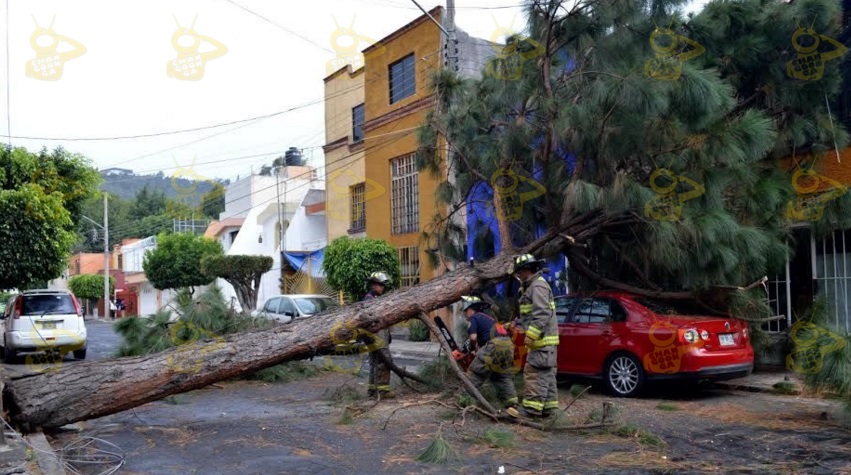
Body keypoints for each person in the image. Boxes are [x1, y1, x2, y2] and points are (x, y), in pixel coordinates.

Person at [505, 254, 560, 419]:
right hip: (544, 341)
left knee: (534, 372)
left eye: (519, 272)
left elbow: (542, 314)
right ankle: (548, 410)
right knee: (547, 375)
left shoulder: (537, 287)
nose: (519, 276)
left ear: (527, 270)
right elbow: (531, 313)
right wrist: (516, 323)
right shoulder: (533, 286)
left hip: (541, 341)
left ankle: (531, 410)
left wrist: (531, 336)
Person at [460, 296, 519, 410]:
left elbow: (473, 338)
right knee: (502, 375)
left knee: (476, 371)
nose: (465, 314)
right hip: (508, 345)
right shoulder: (488, 318)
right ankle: (512, 402)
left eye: (466, 311)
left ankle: (464, 399)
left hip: (494, 345)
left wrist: (475, 348)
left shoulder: (474, 318)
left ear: (471, 309)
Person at [362, 271, 394, 398]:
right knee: (385, 361)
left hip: (377, 336)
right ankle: (383, 391)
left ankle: (372, 391)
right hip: (377, 337)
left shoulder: (374, 299)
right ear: (374, 285)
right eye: (381, 285)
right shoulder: (370, 300)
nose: (383, 288)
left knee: (375, 363)